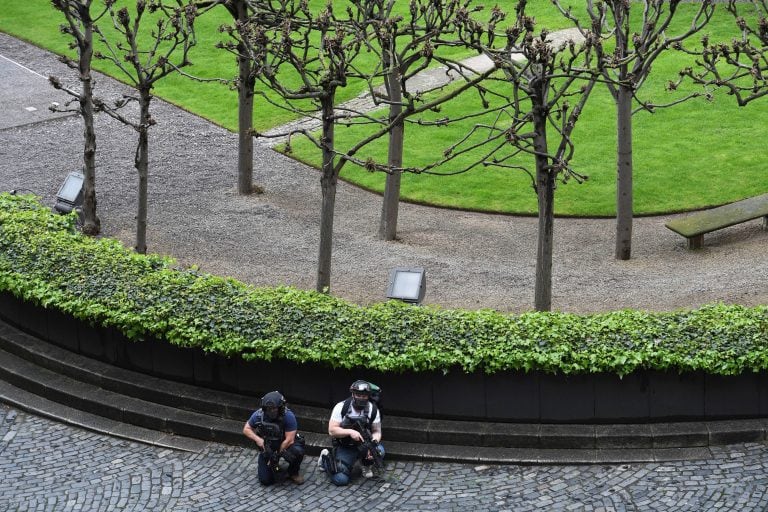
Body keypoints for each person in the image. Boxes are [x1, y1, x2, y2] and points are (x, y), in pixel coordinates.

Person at [319, 380, 385, 486]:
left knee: (379, 451)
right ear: (353, 394)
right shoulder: (341, 407)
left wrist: (373, 443)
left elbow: (377, 431)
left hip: (364, 444)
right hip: (346, 446)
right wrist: (350, 432)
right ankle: (325, 458)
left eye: (364, 396)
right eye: (358, 395)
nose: (361, 398)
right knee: (341, 479)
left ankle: (365, 464)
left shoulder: (373, 409)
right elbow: (332, 430)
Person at [243, 391, 305, 485]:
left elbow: (289, 440)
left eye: (274, 408)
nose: (271, 411)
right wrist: (258, 440)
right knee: (266, 480)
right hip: (268, 446)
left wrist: (277, 454)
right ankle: (273, 466)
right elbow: (246, 429)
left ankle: (293, 472)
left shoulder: (288, 416)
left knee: (298, 451)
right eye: (268, 409)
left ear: (280, 407)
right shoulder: (259, 415)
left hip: (285, 445)